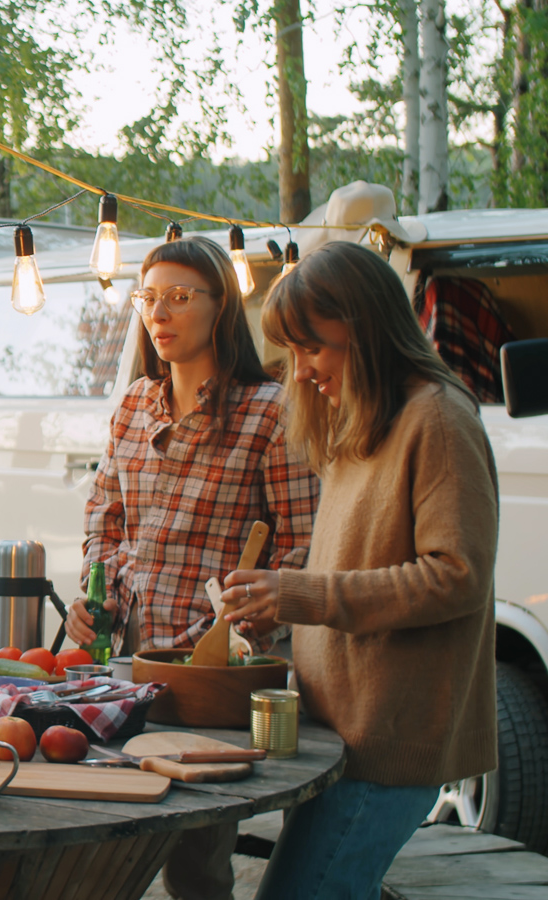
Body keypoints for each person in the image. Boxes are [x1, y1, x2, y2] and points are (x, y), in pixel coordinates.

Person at [222, 241, 498, 900]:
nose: (302, 370)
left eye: (312, 347)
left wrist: (298, 595)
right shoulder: (363, 419)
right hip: (336, 733)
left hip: (391, 743)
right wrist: (275, 613)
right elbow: (354, 569)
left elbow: (455, 576)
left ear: (365, 326)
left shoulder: (437, 418)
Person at [65, 235, 319, 900]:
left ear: (220, 307)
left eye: (180, 298)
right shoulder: (133, 405)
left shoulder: (269, 411)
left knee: (197, 859)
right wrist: (99, 591)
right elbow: (106, 516)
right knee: (103, 838)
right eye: (149, 298)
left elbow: (300, 543)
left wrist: (246, 633)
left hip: (212, 671)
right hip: (127, 659)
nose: (160, 313)